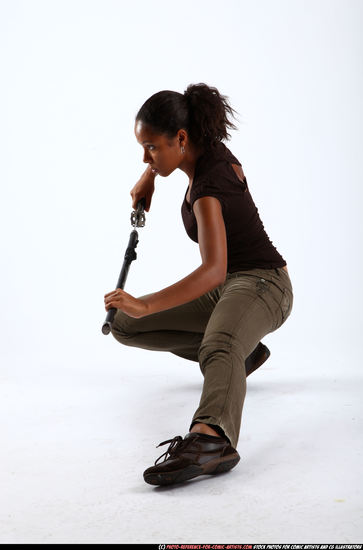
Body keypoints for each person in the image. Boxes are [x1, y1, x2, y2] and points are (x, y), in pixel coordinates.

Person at [104, 83, 294, 486]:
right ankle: (238, 362)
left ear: (181, 139)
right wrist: (150, 175)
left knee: (216, 343)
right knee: (123, 323)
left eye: (151, 148)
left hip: (264, 284)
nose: (145, 155)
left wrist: (147, 304)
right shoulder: (201, 152)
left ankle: (211, 440)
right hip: (229, 286)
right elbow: (218, 277)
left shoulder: (210, 187)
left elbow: (213, 271)